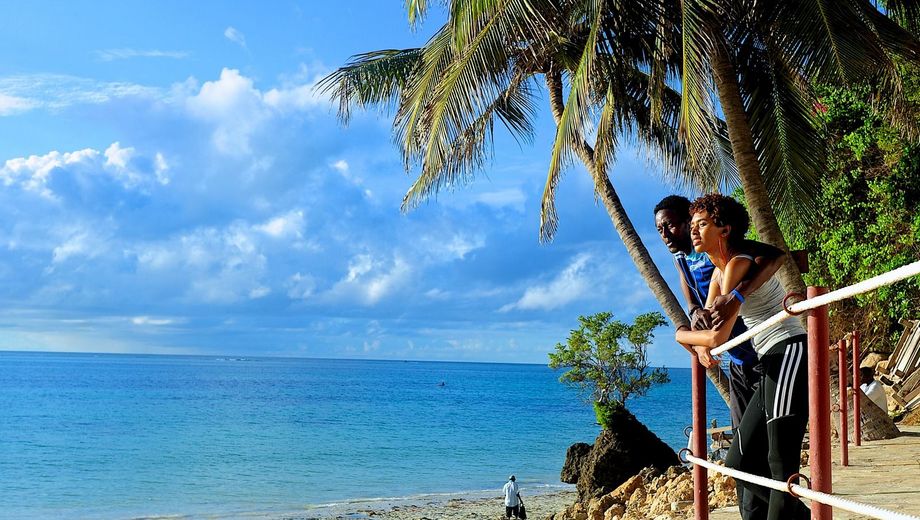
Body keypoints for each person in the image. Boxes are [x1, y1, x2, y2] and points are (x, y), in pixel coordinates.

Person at [675, 193, 810, 520]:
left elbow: (718, 336)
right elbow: (709, 324)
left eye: (702, 224)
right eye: (692, 225)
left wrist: (681, 336)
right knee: (741, 461)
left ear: (725, 229)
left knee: (780, 460)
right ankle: (804, 515)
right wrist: (700, 343)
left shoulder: (737, 264)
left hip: (788, 350)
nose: (693, 231)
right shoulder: (719, 272)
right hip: (769, 360)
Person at [655, 195, 783, 520]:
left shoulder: (728, 255)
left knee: (764, 453)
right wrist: (697, 319)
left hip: (767, 355)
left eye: (670, 225)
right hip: (739, 361)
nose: (666, 234)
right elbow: (698, 307)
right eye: (659, 229)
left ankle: (789, 511)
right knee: (743, 454)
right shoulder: (690, 260)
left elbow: (775, 256)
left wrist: (687, 335)